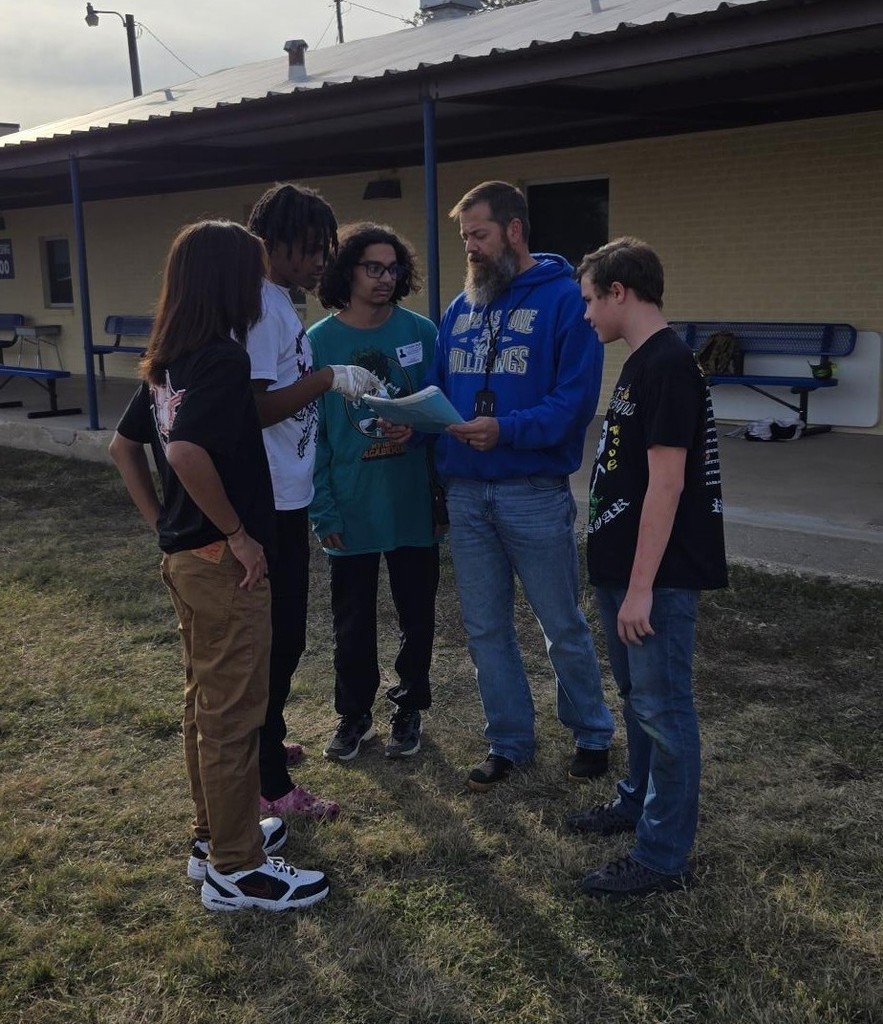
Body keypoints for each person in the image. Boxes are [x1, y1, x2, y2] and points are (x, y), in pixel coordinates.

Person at [109, 219, 330, 911]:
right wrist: (236, 533)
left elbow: (124, 447)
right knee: (235, 713)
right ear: (227, 280)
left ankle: (215, 835)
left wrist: (168, 530)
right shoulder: (224, 360)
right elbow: (185, 454)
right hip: (222, 564)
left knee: (206, 707)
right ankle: (238, 869)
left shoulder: (167, 358)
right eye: (251, 272)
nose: (259, 287)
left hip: (186, 558)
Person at [405, 179, 615, 792]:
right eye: (464, 236)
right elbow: (441, 393)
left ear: (515, 231)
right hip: (467, 493)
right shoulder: (460, 308)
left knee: (561, 622)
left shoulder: (564, 301)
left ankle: (591, 732)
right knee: (485, 627)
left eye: (480, 234)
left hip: (532, 490)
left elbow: (574, 403)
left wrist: (507, 430)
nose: (469, 247)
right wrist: (412, 426)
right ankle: (509, 740)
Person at [567, 236, 727, 900]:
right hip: (622, 570)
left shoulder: (666, 367)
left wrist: (639, 590)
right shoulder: (639, 362)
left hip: (654, 580)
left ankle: (662, 856)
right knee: (638, 702)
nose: (584, 317)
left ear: (618, 293)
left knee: (664, 709)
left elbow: (666, 485)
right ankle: (634, 802)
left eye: (587, 302)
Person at [245, 183, 380, 818]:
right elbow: (251, 408)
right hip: (267, 498)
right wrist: (326, 379)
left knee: (285, 637)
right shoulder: (258, 307)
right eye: (312, 248)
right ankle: (269, 784)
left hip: (289, 493)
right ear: (274, 243)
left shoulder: (279, 302)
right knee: (279, 640)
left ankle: (263, 741)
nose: (322, 260)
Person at [308, 222, 440, 762]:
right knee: (353, 620)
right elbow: (309, 434)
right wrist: (322, 508)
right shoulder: (318, 342)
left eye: (393, 268)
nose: (386, 279)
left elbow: (443, 411)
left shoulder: (423, 332)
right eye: (373, 268)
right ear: (348, 270)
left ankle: (409, 707)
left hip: (410, 504)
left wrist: (419, 431)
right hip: (350, 505)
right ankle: (354, 714)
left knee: (417, 614)